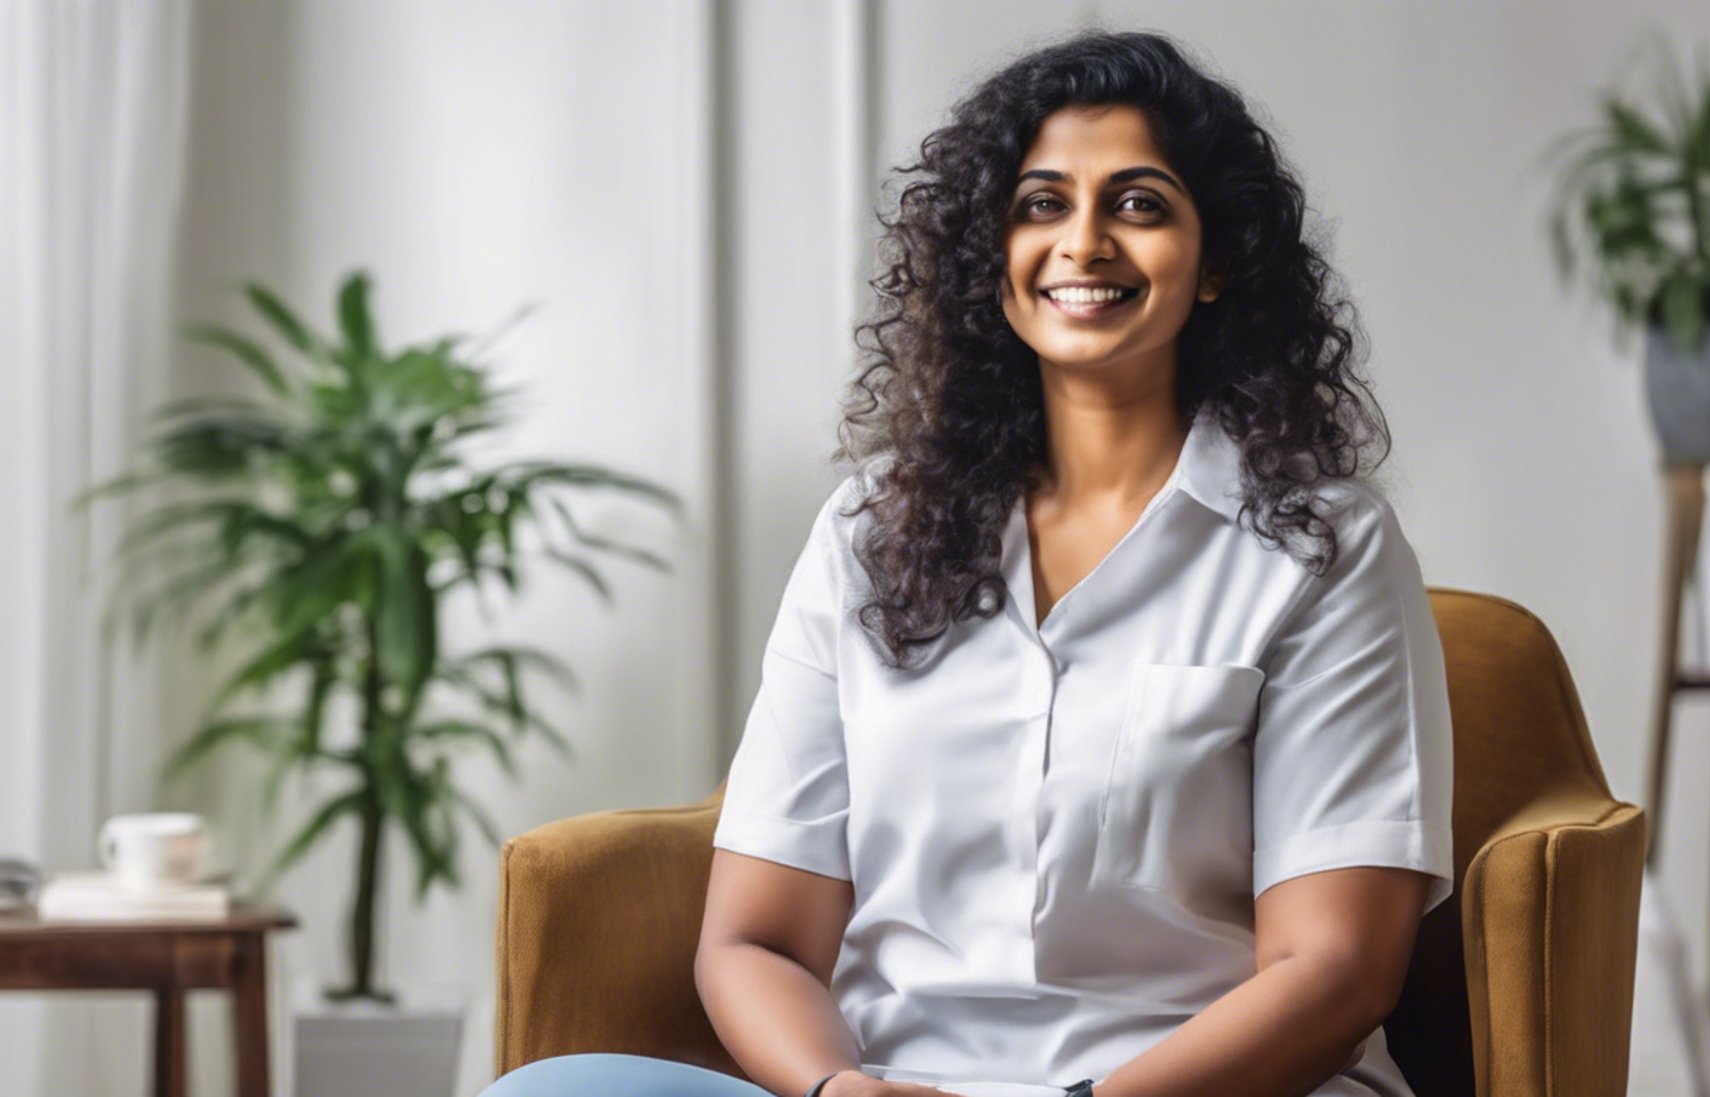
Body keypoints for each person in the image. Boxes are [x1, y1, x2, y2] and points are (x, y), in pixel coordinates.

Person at [483, 27, 1451, 1097]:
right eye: (1041, 204)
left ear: (1217, 259)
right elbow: (754, 940)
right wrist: (836, 1088)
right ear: (989, 256)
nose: (1083, 242)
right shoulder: (870, 529)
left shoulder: (1321, 546)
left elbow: (1337, 967)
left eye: (1138, 203)